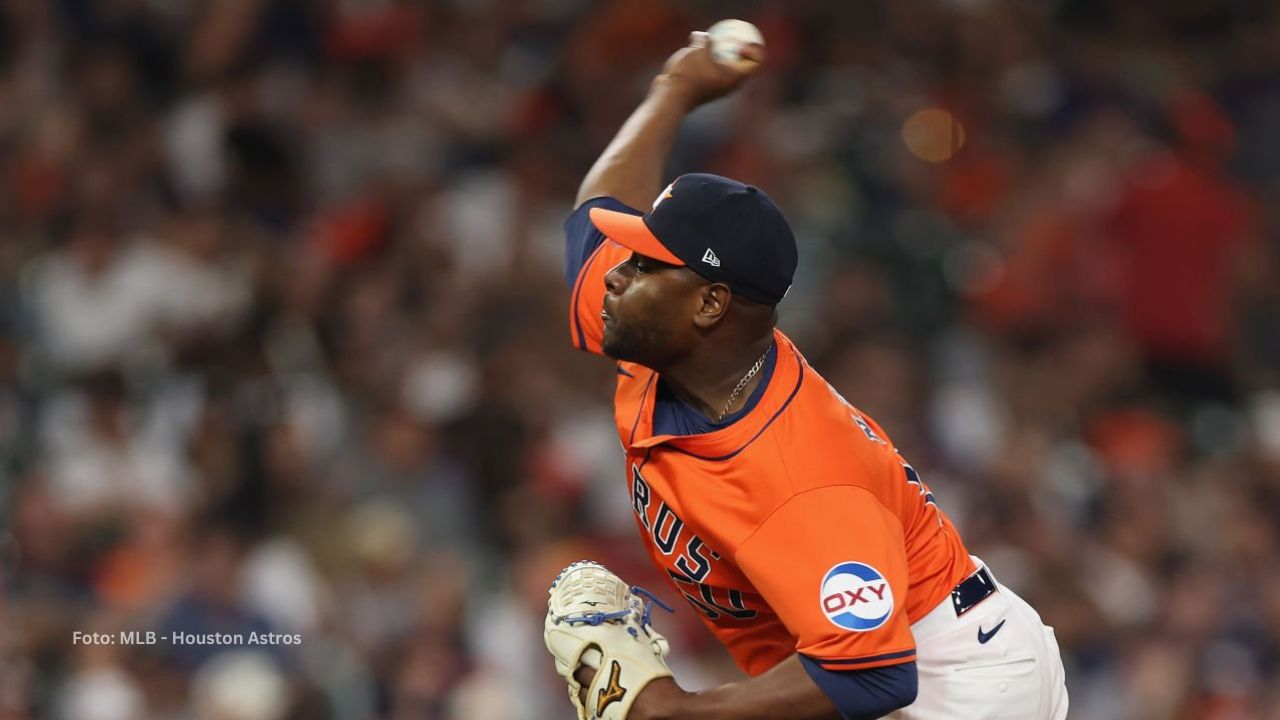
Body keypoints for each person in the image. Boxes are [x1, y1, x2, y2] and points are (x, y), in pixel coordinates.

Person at [554, 32, 1069, 719]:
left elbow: (875, 678)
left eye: (646, 264)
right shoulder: (660, 336)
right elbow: (592, 217)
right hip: (868, 650)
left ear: (710, 304)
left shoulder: (804, 475)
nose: (616, 274)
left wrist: (673, 710)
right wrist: (673, 90)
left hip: (961, 681)